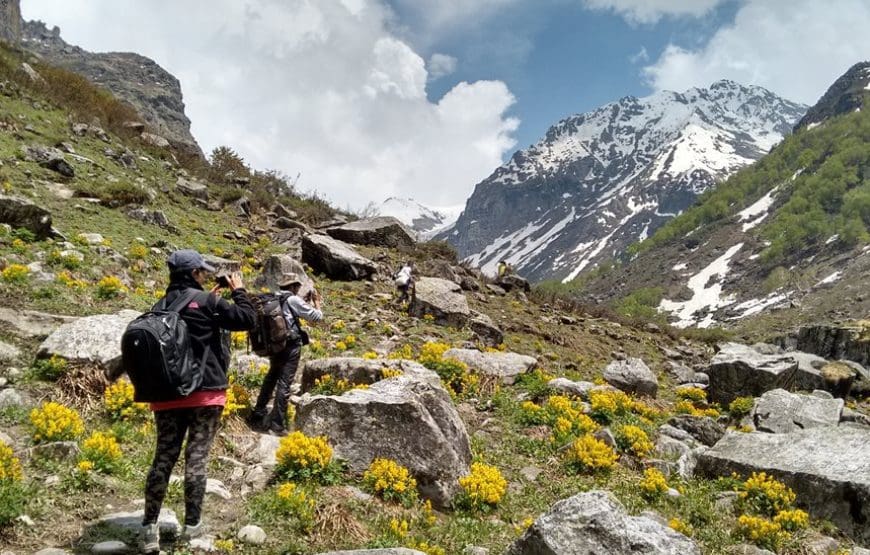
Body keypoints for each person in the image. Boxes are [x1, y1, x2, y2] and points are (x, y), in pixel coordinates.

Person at [140, 250, 256, 553]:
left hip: (166, 396)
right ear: (194, 274)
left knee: (162, 459)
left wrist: (209, 300)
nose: (205, 276)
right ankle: (192, 529)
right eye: (202, 272)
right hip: (205, 394)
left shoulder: (159, 306)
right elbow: (247, 319)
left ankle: (148, 530)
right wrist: (239, 290)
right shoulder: (208, 302)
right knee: (196, 458)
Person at [248, 273, 323, 436]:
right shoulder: (293, 300)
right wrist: (317, 303)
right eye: (297, 286)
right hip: (290, 346)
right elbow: (316, 317)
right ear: (294, 286)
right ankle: (277, 425)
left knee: (271, 377)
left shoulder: (273, 298)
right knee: (284, 383)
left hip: (275, 345)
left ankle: (258, 412)